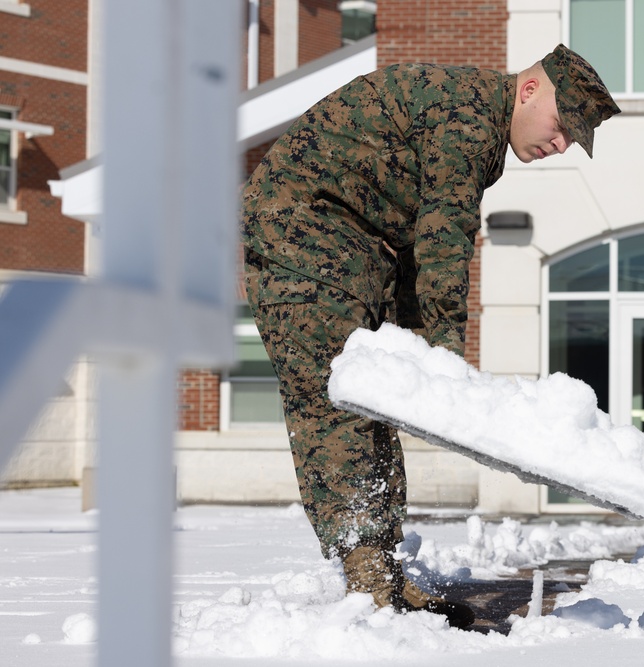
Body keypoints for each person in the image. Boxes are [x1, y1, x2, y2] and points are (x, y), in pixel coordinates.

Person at [240, 45, 620, 628]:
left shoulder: (479, 123)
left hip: (352, 248)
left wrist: (419, 351)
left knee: (376, 401)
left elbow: (421, 240)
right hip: (303, 236)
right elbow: (445, 238)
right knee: (334, 405)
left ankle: (383, 570)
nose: (560, 144)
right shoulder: (467, 119)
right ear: (528, 90)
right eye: (561, 124)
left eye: (573, 138)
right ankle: (366, 577)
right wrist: (444, 356)